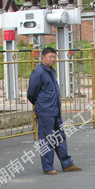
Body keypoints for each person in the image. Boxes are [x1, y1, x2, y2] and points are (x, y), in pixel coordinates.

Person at [27, 47, 82, 175]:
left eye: (54, 57)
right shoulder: (39, 72)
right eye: (50, 57)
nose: (52, 59)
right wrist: (39, 105)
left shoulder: (51, 71)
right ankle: (47, 166)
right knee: (46, 139)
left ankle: (67, 164)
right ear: (43, 57)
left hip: (55, 109)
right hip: (45, 111)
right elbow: (31, 93)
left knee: (60, 137)